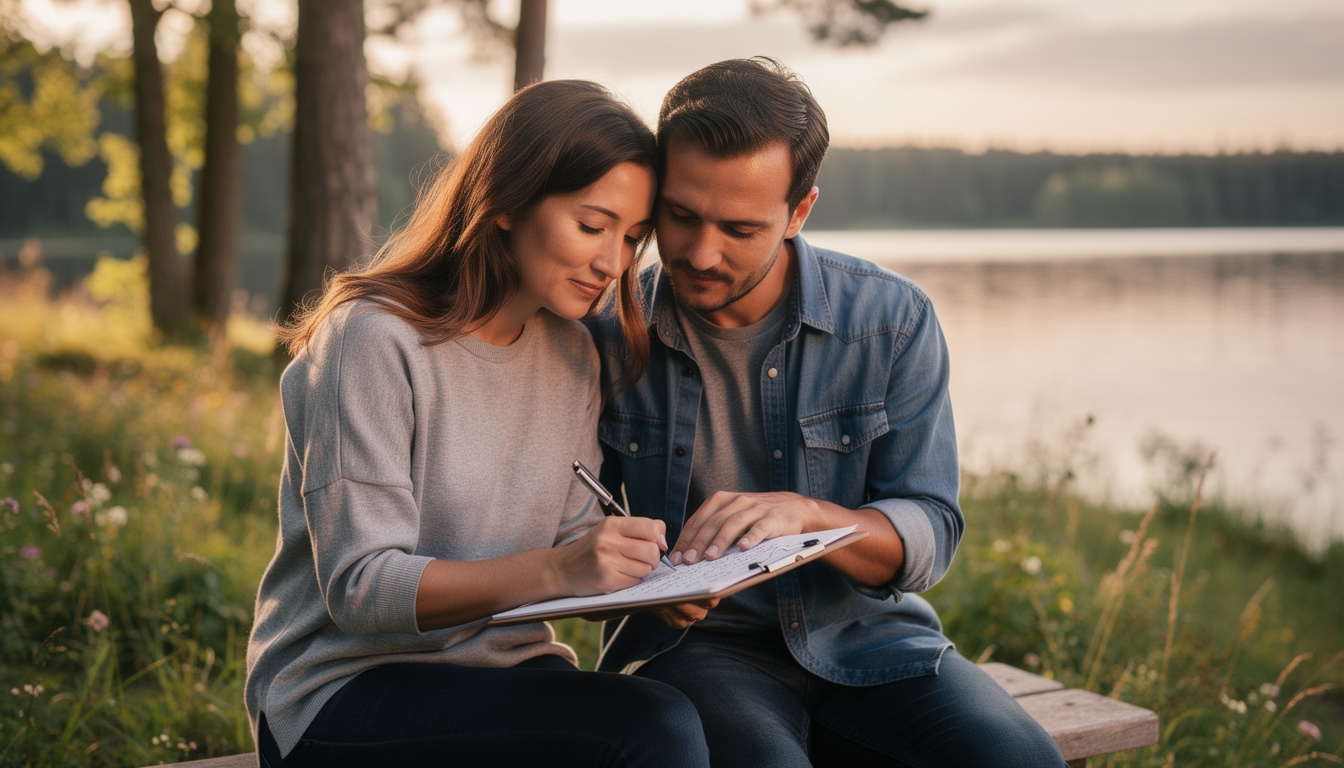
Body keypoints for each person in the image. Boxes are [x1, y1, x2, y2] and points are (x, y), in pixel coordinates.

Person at [588, 58, 1068, 767]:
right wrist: (640, 581)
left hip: (875, 641)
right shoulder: (606, 329)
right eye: (681, 216)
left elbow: (931, 527)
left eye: (740, 229)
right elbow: (567, 531)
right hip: (698, 652)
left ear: (799, 212)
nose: (700, 253)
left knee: (1018, 759)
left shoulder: (891, 320)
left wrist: (811, 518)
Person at [244, 79, 710, 768]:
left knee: (679, 715)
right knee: (651, 728)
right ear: (508, 204)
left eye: (632, 238)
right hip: (343, 689)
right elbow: (360, 588)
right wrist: (560, 567)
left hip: (502, 670)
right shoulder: (372, 340)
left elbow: (573, 545)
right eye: (592, 226)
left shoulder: (573, 352)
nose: (613, 263)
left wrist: (654, 580)